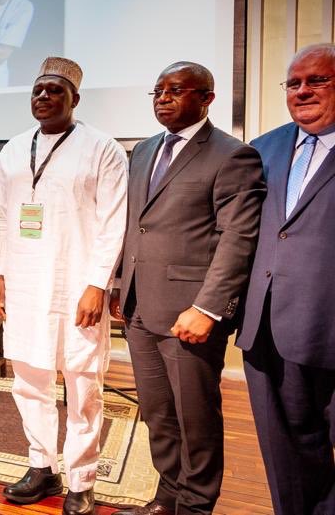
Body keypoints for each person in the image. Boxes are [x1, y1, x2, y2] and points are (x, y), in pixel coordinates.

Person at [111, 62, 265, 515]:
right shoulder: (142, 151)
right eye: (157, 90)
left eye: (176, 90)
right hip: (140, 308)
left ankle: (197, 506)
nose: (163, 97)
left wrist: (209, 308)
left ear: (206, 98)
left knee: (194, 418)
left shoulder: (232, 154)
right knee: (158, 415)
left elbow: (239, 238)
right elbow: (134, 225)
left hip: (189, 314)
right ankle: (168, 496)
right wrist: (122, 284)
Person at [0, 57, 127, 515]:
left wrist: (97, 284)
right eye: (37, 91)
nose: (43, 98)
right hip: (24, 285)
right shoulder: (12, 149)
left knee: (83, 384)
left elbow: (113, 221)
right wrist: (0, 275)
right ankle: (41, 466)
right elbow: (0, 217)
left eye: (54, 91)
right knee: (29, 382)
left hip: (76, 285)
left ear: (75, 99)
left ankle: (82, 479)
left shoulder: (101, 147)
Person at [236, 43, 335, 515]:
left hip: (330, 325)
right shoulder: (264, 147)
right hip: (269, 327)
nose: (303, 91)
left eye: (317, 80)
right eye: (293, 83)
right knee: (286, 454)